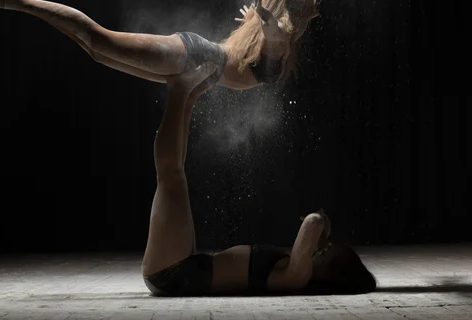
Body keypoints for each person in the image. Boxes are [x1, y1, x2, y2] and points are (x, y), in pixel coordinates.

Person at [142, 62, 377, 296]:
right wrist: (322, 238)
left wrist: (322, 228)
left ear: (331, 276)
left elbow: (312, 222)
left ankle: (179, 89)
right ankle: (187, 96)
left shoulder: (296, 277)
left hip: (174, 275)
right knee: (175, 173)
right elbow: (311, 233)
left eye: (326, 253)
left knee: (171, 175)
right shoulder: (295, 270)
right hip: (185, 270)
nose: (321, 250)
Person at [0, 0, 320, 89]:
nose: (306, 25)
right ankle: (18, 1)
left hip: (198, 69)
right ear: (296, 16)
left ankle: (35, 3)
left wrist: (257, 18)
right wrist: (261, 16)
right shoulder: (279, 37)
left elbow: (267, 32)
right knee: (100, 38)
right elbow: (274, 31)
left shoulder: (269, 39)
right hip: (196, 55)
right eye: (305, 17)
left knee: (97, 52)